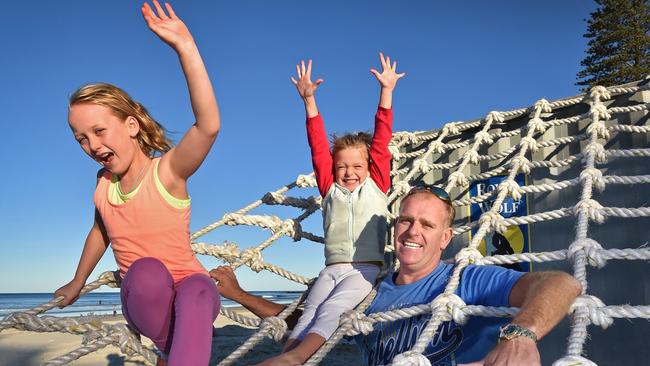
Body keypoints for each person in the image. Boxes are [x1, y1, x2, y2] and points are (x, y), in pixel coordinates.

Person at [211, 187, 582, 365]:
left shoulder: (464, 281)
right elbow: (302, 325)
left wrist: (521, 333)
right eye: (405, 220)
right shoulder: (368, 290)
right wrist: (240, 294)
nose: (412, 231)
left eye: (426, 224)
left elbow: (560, 284)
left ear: (445, 237)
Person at [54, 2, 221, 365]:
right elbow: (100, 231)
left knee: (197, 287)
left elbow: (207, 125)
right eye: (81, 138)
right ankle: (170, 349)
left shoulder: (167, 173)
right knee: (146, 272)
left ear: (131, 126)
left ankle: (174, 354)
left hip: (193, 294)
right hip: (145, 300)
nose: (93, 145)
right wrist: (77, 281)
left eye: (99, 131)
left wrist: (185, 46)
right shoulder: (104, 185)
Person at [251, 54, 405, 365]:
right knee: (310, 312)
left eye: (357, 166)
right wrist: (309, 101)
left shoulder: (376, 185)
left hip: (364, 269)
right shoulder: (329, 188)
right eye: (342, 166)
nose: (349, 172)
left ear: (370, 167)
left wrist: (386, 92)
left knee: (333, 311)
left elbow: (382, 137)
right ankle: (286, 357)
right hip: (331, 269)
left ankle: (296, 359)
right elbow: (318, 146)